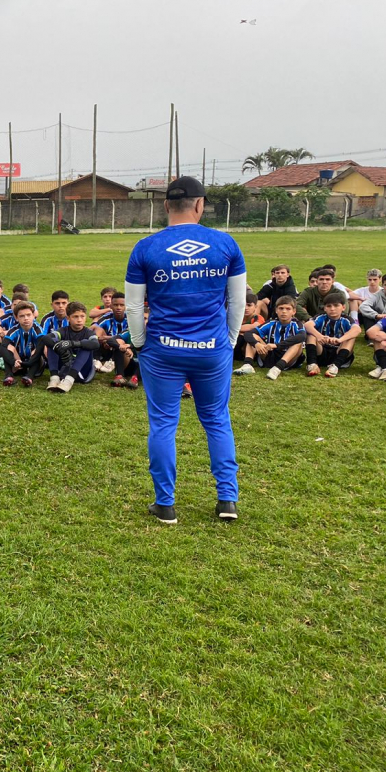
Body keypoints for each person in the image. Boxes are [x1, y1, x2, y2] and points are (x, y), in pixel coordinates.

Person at [124, 176, 247, 524]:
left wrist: (139, 343)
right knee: (217, 420)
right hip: (212, 349)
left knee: (163, 423)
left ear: (165, 206)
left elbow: (134, 308)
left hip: (163, 350)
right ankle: (227, 500)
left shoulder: (145, 247)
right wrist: (230, 341)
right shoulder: (225, 244)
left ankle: (165, 504)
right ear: (200, 204)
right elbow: (237, 301)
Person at [239, 296, 307, 378]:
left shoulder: (297, 324)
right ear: (276, 310)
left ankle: (277, 368)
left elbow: (302, 336)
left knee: (298, 342)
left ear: (294, 311)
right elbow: (248, 334)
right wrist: (257, 344)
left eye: (288, 309)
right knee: (253, 337)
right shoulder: (271, 323)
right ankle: (247, 364)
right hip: (269, 354)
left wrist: (277, 345)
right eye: (281, 308)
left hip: (288, 358)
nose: (284, 311)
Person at [44, 301, 100, 393]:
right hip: (65, 366)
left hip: (82, 370)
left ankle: (69, 381)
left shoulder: (88, 332)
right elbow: (46, 338)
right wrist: (58, 348)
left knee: (86, 344)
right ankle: (54, 378)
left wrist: (73, 343)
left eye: (82, 316)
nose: (79, 320)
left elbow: (96, 344)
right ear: (68, 318)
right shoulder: (63, 331)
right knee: (53, 343)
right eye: (75, 316)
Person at [304, 291, 360, 378]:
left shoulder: (346, 319)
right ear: (325, 308)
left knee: (351, 338)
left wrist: (339, 340)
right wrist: (320, 336)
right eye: (329, 306)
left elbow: (357, 329)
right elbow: (307, 325)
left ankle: (335, 367)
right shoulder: (321, 317)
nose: (332, 309)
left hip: (339, 353)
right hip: (321, 353)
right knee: (311, 334)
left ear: (343, 307)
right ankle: (312, 364)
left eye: (336, 305)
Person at [0, 301, 46, 387]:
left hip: (34, 363)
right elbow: (3, 347)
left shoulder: (37, 329)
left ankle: (29, 377)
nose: (26, 318)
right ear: (16, 318)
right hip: (19, 363)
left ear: (33, 316)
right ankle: (9, 376)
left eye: (28, 315)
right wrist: (13, 362)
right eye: (22, 316)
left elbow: (41, 345)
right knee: (8, 347)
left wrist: (30, 362)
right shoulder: (14, 330)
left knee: (37, 350)